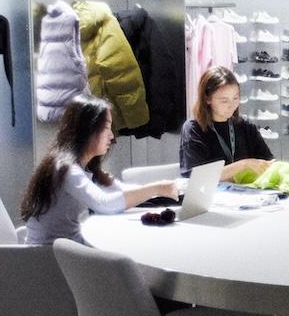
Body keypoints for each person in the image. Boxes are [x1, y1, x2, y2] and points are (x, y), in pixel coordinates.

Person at [21, 95, 178, 244]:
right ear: (87, 130)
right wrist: (157, 188)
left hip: (66, 247)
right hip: (49, 257)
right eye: (106, 128)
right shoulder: (66, 168)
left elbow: (118, 190)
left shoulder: (82, 166)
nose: (112, 136)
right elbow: (105, 203)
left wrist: (163, 188)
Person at [179, 65, 274, 180]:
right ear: (207, 98)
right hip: (211, 196)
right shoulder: (193, 129)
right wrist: (243, 165)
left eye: (235, 98)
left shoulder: (245, 126)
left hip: (245, 194)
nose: (232, 105)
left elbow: (268, 162)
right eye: (224, 100)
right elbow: (196, 177)